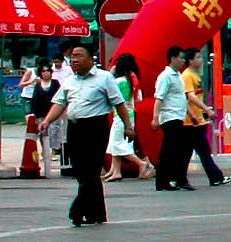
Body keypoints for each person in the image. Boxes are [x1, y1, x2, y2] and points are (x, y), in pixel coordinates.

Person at [37, 46, 132, 226]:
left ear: (90, 59)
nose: (74, 60)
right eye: (72, 57)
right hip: (74, 129)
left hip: (95, 128)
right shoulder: (70, 81)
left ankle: (77, 210)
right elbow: (59, 103)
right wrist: (47, 121)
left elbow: (119, 103)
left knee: (91, 171)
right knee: (82, 172)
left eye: (79, 56)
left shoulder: (105, 78)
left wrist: (128, 126)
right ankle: (97, 213)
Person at [182, 49, 231, 187]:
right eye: (198, 57)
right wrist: (207, 109)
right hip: (191, 121)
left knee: (199, 151)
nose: (201, 60)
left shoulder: (195, 75)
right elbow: (190, 96)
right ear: (190, 60)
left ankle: (214, 177)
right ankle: (214, 177)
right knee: (196, 151)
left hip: (197, 119)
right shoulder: (187, 76)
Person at [154, 46, 195, 191]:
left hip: (178, 116)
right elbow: (159, 98)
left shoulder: (178, 75)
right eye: (181, 58)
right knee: (173, 149)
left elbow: (181, 97)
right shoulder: (165, 76)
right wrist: (155, 118)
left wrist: (191, 114)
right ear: (173, 58)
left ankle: (171, 179)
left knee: (176, 149)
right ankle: (169, 179)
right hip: (170, 117)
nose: (183, 61)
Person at [104, 53, 148, 181]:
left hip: (121, 116)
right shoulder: (131, 80)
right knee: (115, 143)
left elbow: (112, 96)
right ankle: (115, 170)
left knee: (118, 145)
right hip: (129, 115)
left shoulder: (119, 81)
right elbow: (138, 98)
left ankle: (141, 163)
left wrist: (111, 74)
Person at [26, 62, 63, 176]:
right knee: (43, 133)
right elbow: (34, 100)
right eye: (43, 71)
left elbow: (60, 98)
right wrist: (33, 114)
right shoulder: (38, 85)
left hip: (53, 112)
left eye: (48, 71)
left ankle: (53, 151)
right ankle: (45, 151)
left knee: (54, 131)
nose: (46, 73)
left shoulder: (55, 83)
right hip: (41, 113)